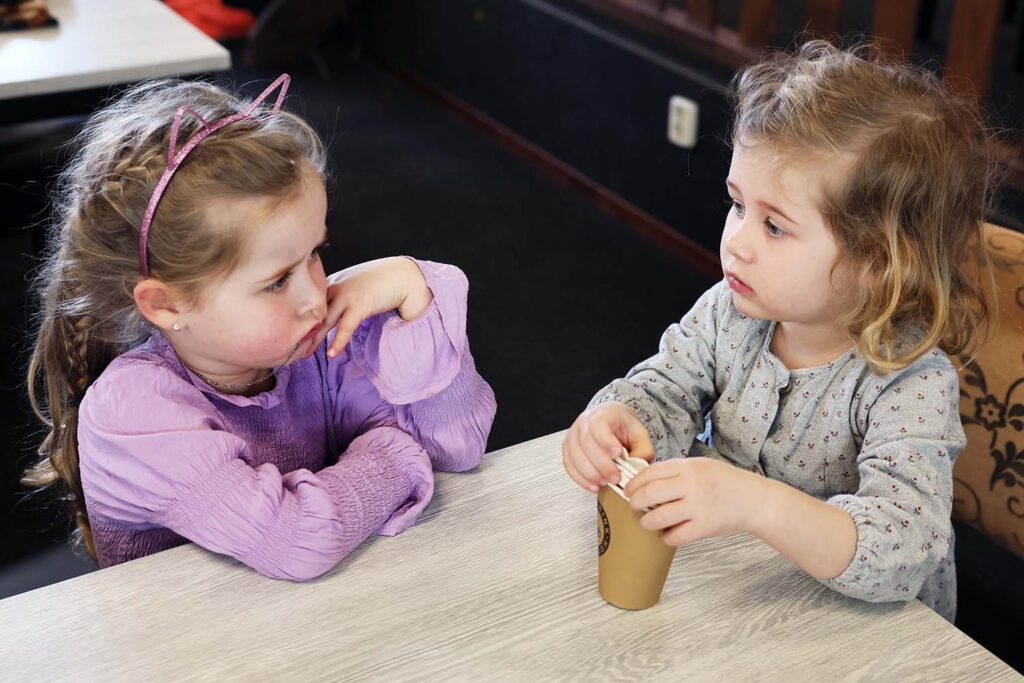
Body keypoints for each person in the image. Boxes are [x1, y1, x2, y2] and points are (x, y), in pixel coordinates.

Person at [561, 41, 1001, 622]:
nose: (736, 241)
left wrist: (757, 505)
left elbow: (905, 547)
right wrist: (621, 420)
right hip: (743, 589)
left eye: (775, 226)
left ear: (879, 262)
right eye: (737, 205)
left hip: (862, 631)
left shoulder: (909, 379)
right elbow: (666, 392)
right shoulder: (731, 312)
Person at [22, 74, 497, 580]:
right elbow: (298, 540)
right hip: (197, 650)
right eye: (276, 281)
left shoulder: (310, 346)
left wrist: (417, 295)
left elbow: (457, 447)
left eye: (315, 253)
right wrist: (399, 453)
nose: (317, 296)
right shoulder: (134, 411)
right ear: (166, 304)